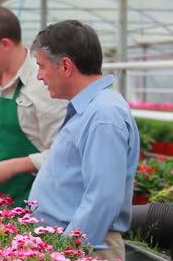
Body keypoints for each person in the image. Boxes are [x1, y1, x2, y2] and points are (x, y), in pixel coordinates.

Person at [28, 20, 140, 261]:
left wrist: (66, 252)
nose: (39, 76)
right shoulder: (90, 108)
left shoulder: (103, 115)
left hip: (87, 249)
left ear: (66, 66)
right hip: (73, 243)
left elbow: (102, 199)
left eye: (42, 66)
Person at [0, 6, 67, 208]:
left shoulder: (43, 84)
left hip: (38, 206)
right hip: (0, 200)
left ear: (5, 44)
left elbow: (63, 154)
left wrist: (17, 166)